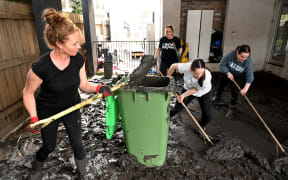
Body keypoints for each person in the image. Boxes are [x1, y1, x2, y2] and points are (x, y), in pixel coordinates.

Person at [22, 9, 112, 180]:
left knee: (78, 144)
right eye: (74, 44)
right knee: (49, 146)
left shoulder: (77, 59)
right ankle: (36, 168)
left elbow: (84, 85)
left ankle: (82, 174)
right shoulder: (41, 67)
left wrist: (100, 87)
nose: (79, 47)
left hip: (72, 107)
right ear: (59, 44)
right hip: (48, 112)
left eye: (79, 43)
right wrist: (34, 118)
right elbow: (28, 93)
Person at [168, 59, 212, 129]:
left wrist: (183, 95)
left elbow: (195, 89)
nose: (199, 76)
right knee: (177, 108)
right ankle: (166, 117)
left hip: (204, 92)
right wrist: (167, 79)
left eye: (201, 73)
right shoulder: (187, 67)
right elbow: (173, 66)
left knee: (208, 116)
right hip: (188, 89)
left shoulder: (207, 77)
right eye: (196, 73)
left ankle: (201, 127)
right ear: (191, 69)